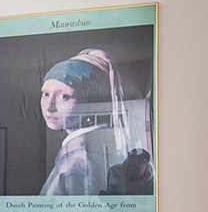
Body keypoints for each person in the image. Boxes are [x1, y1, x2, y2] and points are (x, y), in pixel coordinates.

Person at [37, 48, 153, 196]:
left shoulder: (80, 156)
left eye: (64, 96)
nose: (49, 106)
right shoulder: (92, 145)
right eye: (45, 94)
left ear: (91, 100)